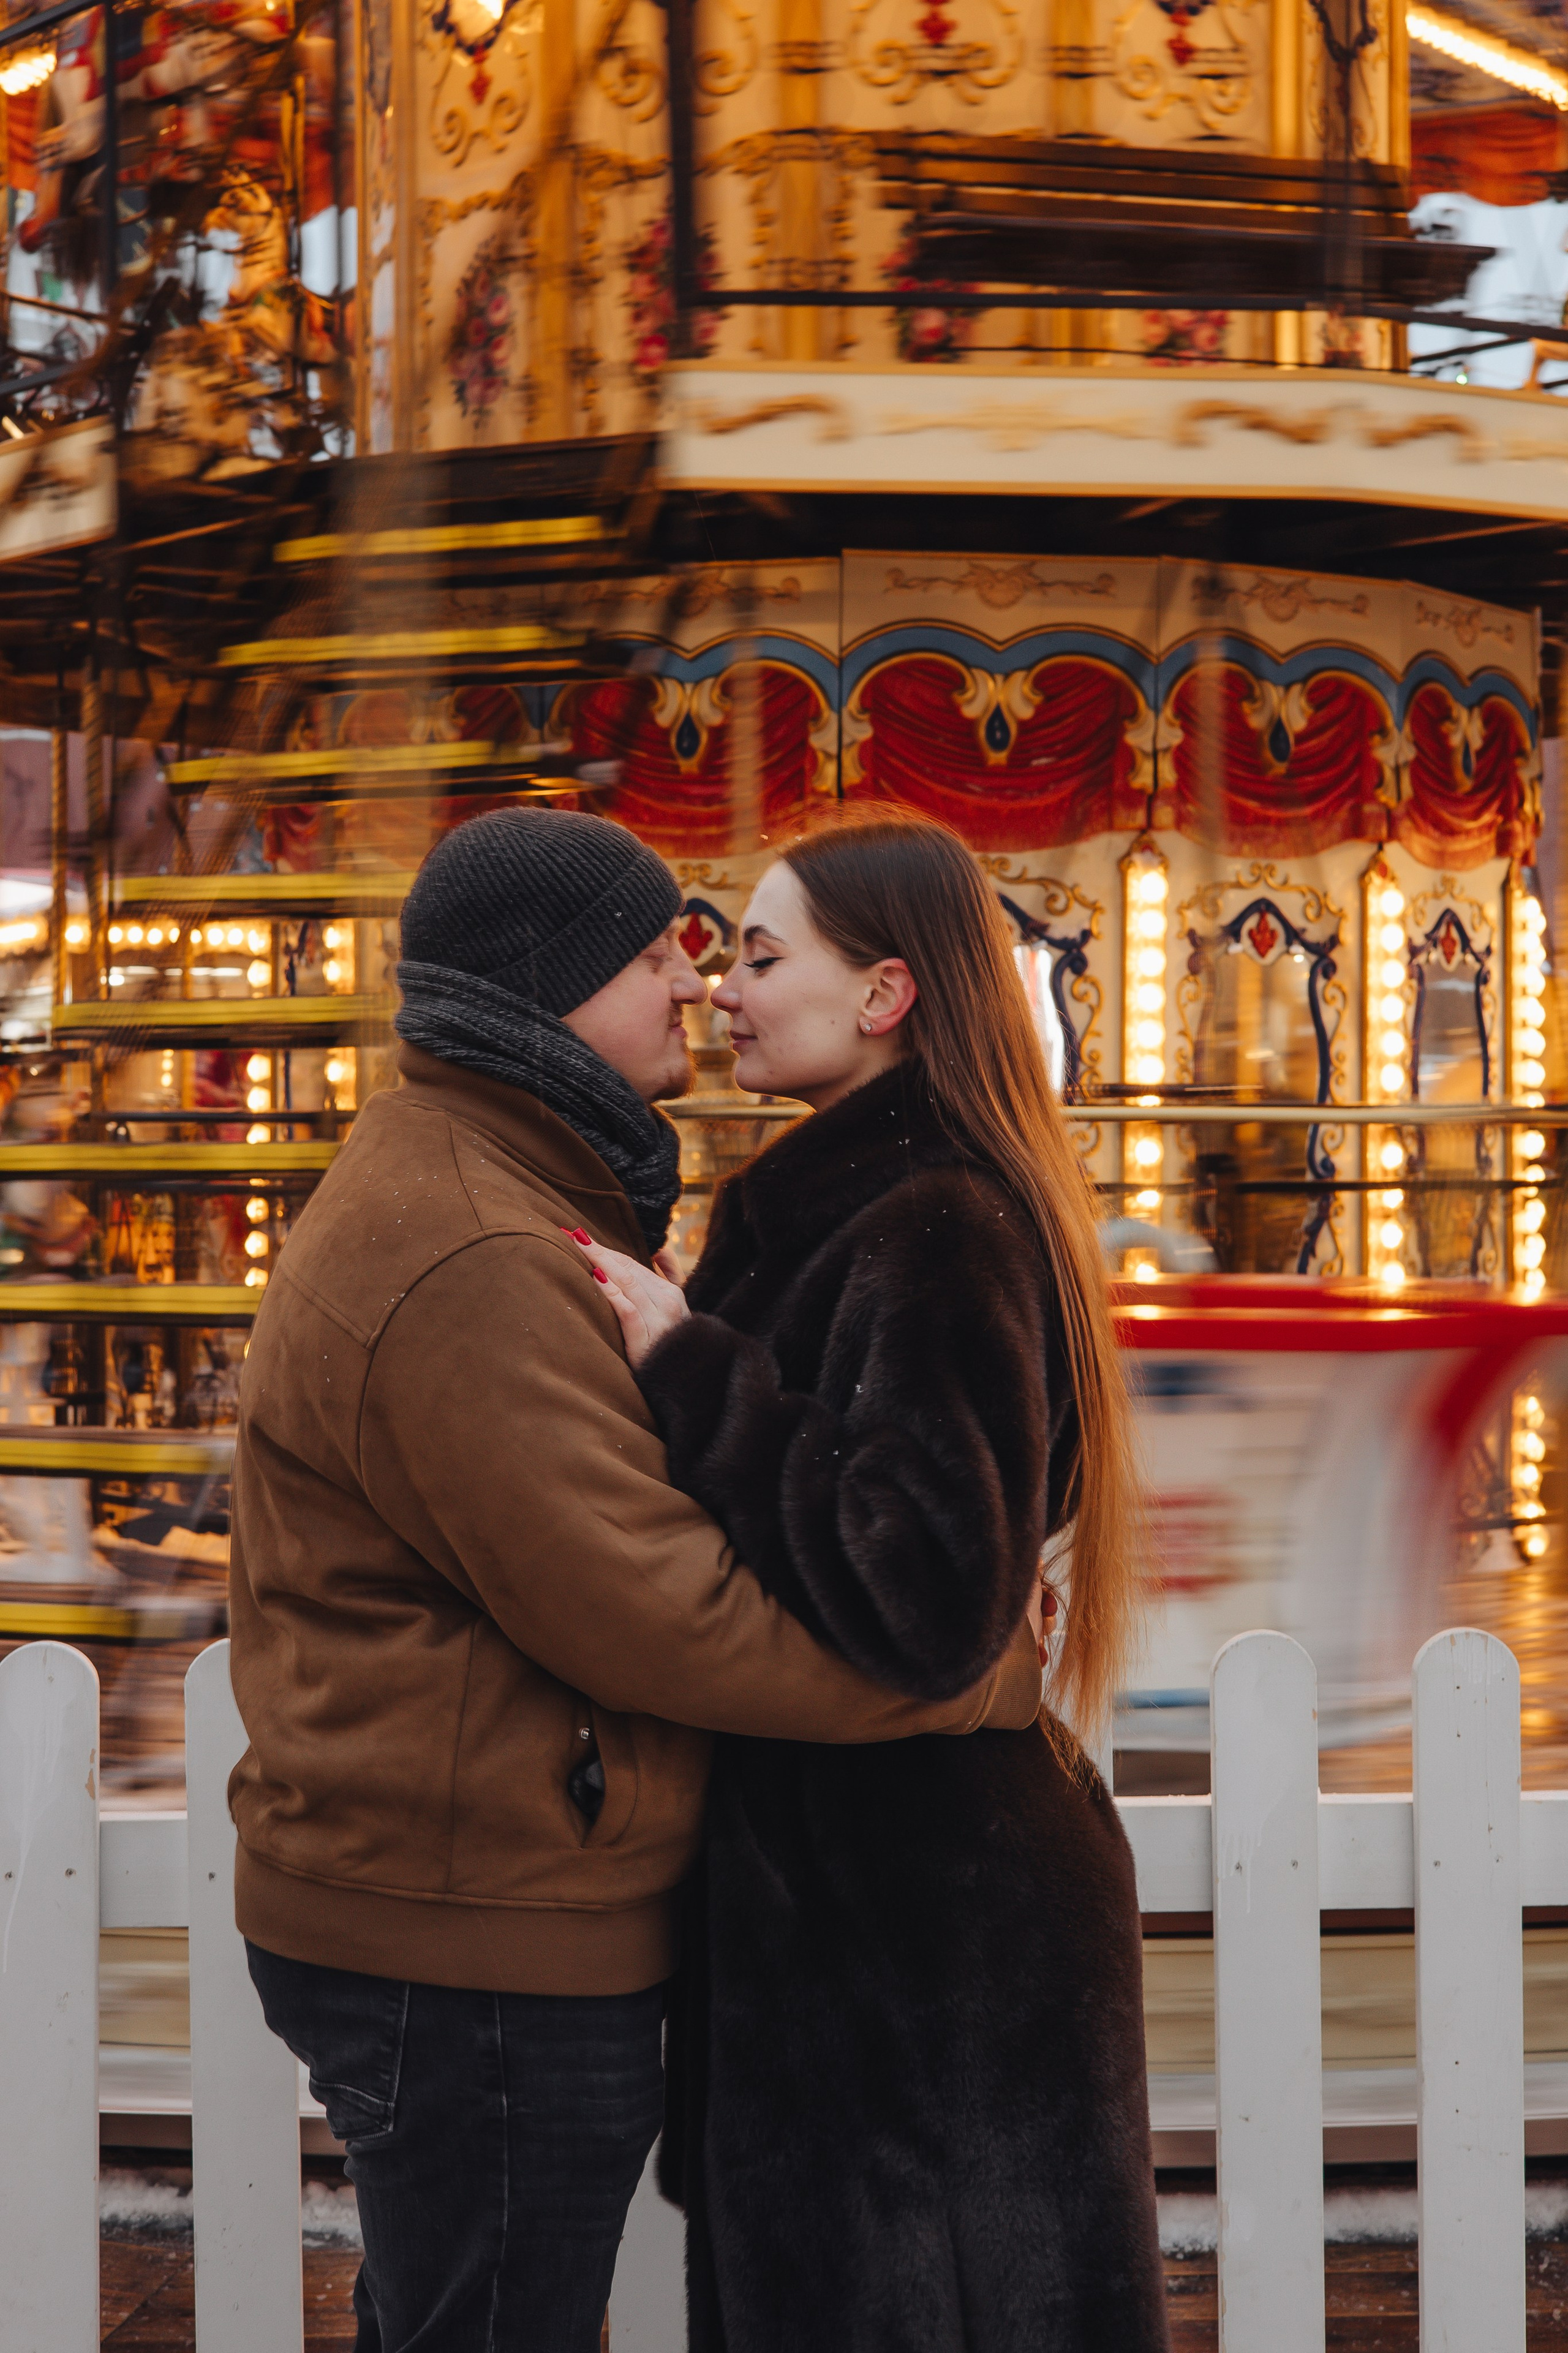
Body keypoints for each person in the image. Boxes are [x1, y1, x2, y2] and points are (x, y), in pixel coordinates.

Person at [227, 806, 1044, 2353]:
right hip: (478, 1927)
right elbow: (662, 1610)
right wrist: (971, 1675)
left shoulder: (507, 1192)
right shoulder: (470, 1247)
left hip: (481, 1892)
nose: (693, 986)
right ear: (547, 992)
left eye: (731, 950)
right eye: (658, 951)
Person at [575, 811, 1167, 2353]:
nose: (720, 991)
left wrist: (686, 1364)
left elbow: (927, 1586)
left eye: (761, 957)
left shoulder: (935, 1222)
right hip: (870, 1911)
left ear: (887, 993)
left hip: (918, 1940)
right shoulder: (862, 1206)